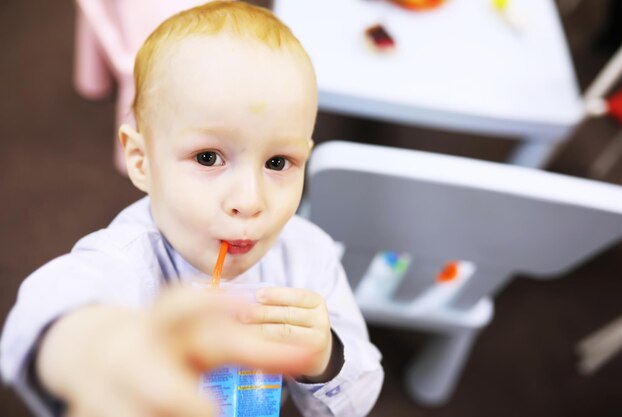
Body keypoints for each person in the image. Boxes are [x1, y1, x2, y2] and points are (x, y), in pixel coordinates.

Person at [0, 2, 384, 417]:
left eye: (278, 163)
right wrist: (98, 347)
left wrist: (326, 357)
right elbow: (52, 300)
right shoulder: (131, 259)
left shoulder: (310, 256)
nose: (249, 202)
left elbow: (356, 400)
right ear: (142, 160)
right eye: (207, 158)